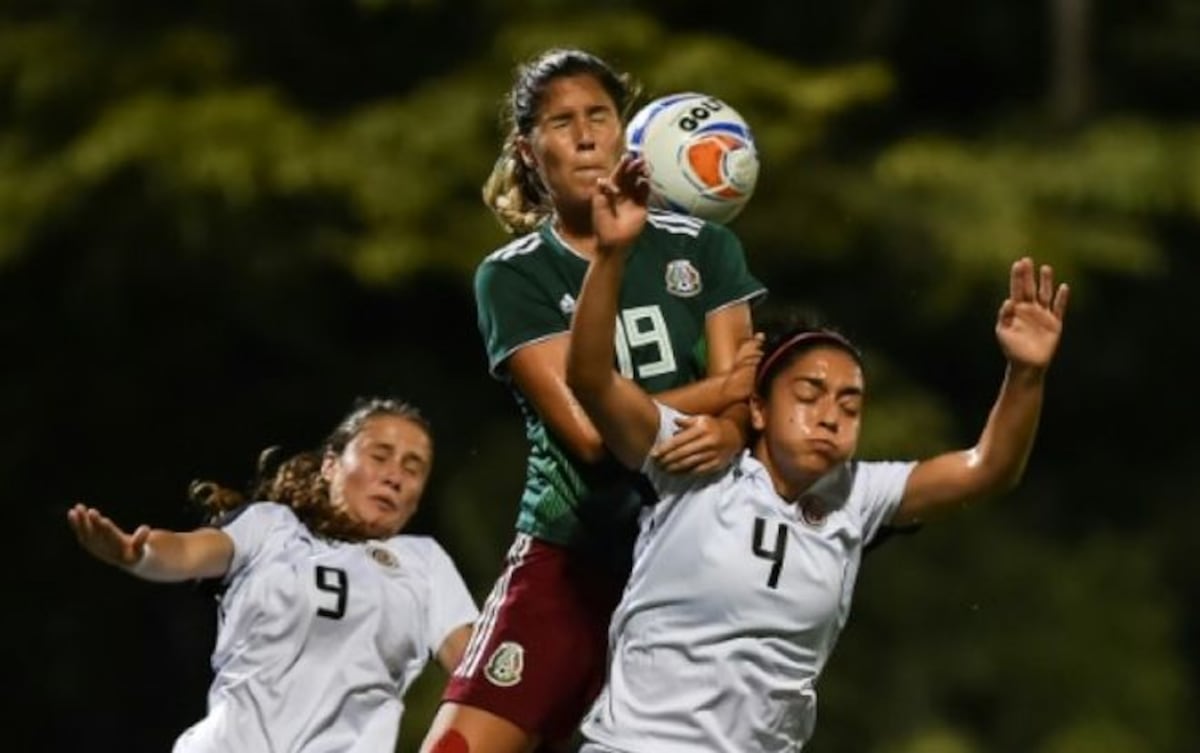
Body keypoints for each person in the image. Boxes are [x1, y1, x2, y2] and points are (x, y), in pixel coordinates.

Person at [563, 164, 1069, 751]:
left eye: (850, 405)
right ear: (757, 409)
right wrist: (611, 256)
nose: (830, 415)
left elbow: (989, 468)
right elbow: (591, 378)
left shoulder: (857, 495)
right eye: (808, 395)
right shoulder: (695, 461)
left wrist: (1026, 373)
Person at [421, 48, 766, 753]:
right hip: (572, 559)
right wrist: (719, 400)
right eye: (560, 122)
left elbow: (744, 399)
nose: (583, 136)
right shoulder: (512, 277)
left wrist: (733, 428)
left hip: (695, 558)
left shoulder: (706, 249)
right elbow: (588, 433)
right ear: (529, 149)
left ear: (625, 131)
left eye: (598, 116)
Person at [66, 397, 478, 753]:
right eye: (379, 455)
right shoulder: (272, 527)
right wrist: (134, 553)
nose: (394, 476)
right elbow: (186, 550)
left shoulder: (424, 562)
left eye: (413, 467)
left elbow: (477, 670)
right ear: (331, 465)